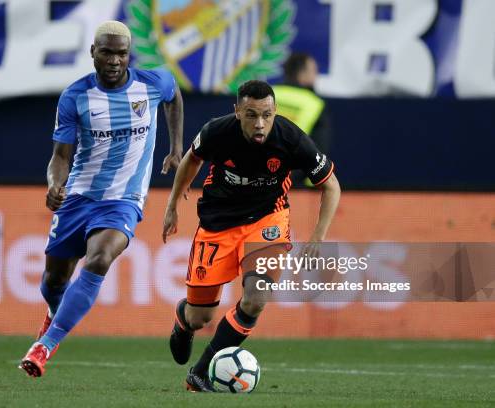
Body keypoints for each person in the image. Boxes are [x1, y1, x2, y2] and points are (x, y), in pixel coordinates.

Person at [19, 20, 184, 378]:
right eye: (106, 52)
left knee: (99, 259)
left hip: (124, 199)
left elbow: (174, 97)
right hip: (79, 196)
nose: (114, 60)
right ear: (93, 52)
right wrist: (54, 184)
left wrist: (176, 147)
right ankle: (54, 314)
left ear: (129, 56)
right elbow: (61, 155)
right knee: (53, 281)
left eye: (121, 53)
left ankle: (45, 345)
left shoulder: (152, 83)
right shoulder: (75, 96)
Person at [162, 80, 340, 391]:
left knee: (256, 298)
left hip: (266, 221)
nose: (260, 124)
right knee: (200, 317)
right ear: (237, 112)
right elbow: (192, 159)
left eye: (267, 115)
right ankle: (183, 319)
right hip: (218, 223)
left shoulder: (291, 139)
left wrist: (318, 236)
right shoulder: (217, 131)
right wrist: (172, 204)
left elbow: (331, 185)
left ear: (275, 113)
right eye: (251, 115)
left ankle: (202, 372)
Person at [273, 53, 331, 187]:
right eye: (314, 71)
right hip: (293, 179)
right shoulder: (315, 103)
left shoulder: (267, 94)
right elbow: (320, 148)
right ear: (302, 74)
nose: (316, 76)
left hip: (256, 174)